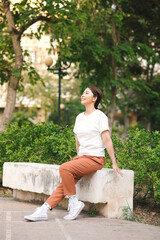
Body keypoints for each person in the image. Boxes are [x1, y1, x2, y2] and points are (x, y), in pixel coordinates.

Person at [24, 86, 123, 222]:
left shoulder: (100, 116)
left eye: (86, 93)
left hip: (95, 159)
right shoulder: (79, 117)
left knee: (64, 168)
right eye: (82, 92)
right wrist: (78, 159)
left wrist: (114, 163)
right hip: (82, 158)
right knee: (63, 185)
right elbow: (78, 140)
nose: (83, 95)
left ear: (94, 98)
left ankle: (74, 203)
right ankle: (44, 210)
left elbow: (107, 139)